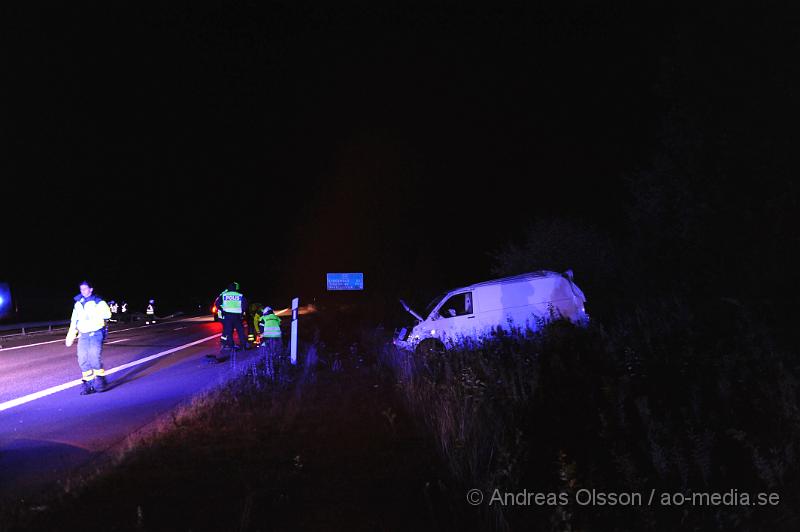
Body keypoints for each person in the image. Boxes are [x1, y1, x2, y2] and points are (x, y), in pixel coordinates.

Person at [65, 280, 112, 395]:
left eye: (86, 289)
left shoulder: (98, 302)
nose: (83, 291)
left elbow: (108, 314)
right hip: (84, 335)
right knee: (82, 359)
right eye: (81, 289)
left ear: (91, 289)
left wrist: (95, 313)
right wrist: (70, 335)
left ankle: (101, 380)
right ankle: (89, 384)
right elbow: (74, 321)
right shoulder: (78, 304)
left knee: (94, 357)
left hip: (96, 333)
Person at [214, 282, 249, 350]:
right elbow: (245, 305)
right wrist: (242, 313)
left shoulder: (224, 295)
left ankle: (231, 346)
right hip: (237, 316)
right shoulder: (240, 295)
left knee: (229, 331)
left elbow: (217, 304)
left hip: (227, 316)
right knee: (240, 331)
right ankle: (243, 345)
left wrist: (222, 310)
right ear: (235, 288)